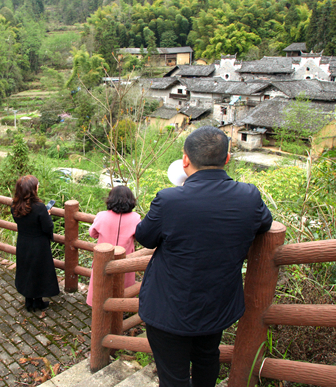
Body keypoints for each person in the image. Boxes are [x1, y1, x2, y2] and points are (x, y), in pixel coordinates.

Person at [135, 126, 273, 387]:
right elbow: (264, 224)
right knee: (207, 359)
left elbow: (144, 236)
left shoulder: (170, 199)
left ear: (185, 159)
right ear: (227, 159)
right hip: (216, 304)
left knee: (173, 375)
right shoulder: (249, 196)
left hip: (168, 307)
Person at [11, 175, 59, 312]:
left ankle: (28, 301)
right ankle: (37, 302)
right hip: (38, 245)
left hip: (23, 242)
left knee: (26, 269)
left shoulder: (14, 205)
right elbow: (48, 227)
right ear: (32, 190)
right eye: (37, 185)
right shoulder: (39, 208)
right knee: (38, 271)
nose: (38, 187)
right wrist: (47, 215)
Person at [86, 186, 140, 306]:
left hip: (103, 257)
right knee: (124, 282)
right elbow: (139, 236)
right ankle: (122, 307)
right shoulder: (135, 218)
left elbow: (92, 233)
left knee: (101, 281)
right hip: (125, 258)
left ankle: (98, 305)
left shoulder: (102, 215)